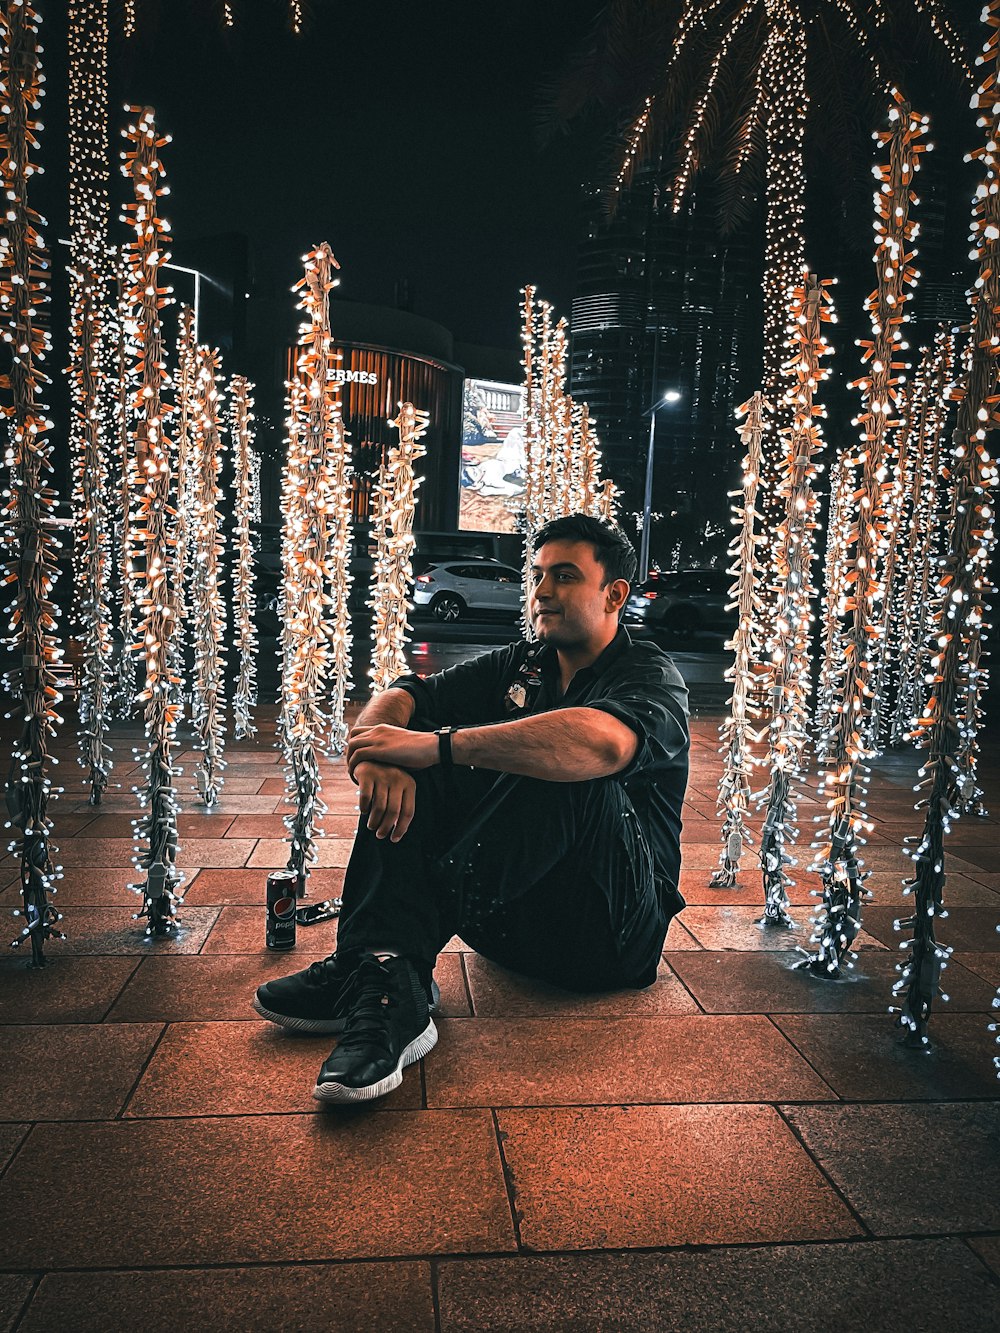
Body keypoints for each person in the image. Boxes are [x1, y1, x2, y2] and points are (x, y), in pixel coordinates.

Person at [254, 513, 690, 1104]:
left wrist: (435, 747)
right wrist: (381, 760)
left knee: (562, 759)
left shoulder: (649, 673)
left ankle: (385, 963)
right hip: (509, 928)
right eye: (536, 576)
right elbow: (404, 696)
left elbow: (603, 743)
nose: (541, 592)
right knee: (423, 757)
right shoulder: (524, 663)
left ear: (614, 593)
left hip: (608, 939)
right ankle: (388, 974)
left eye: (564, 576)